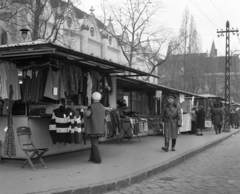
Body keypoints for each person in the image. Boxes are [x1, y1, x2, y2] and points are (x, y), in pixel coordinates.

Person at [84, 92, 105, 164]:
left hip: (93, 128)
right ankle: (92, 158)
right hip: (100, 128)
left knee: (94, 143)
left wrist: (84, 111)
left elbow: (87, 115)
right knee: (94, 143)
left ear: (92, 97)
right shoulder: (102, 107)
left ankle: (98, 159)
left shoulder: (91, 106)